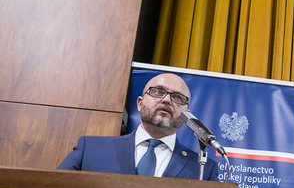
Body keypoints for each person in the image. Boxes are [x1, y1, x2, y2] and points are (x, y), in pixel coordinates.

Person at [58, 73, 221, 181]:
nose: (166, 100)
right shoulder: (91, 149)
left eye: (178, 97)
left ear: (187, 115)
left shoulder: (204, 170)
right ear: (140, 103)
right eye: (158, 92)